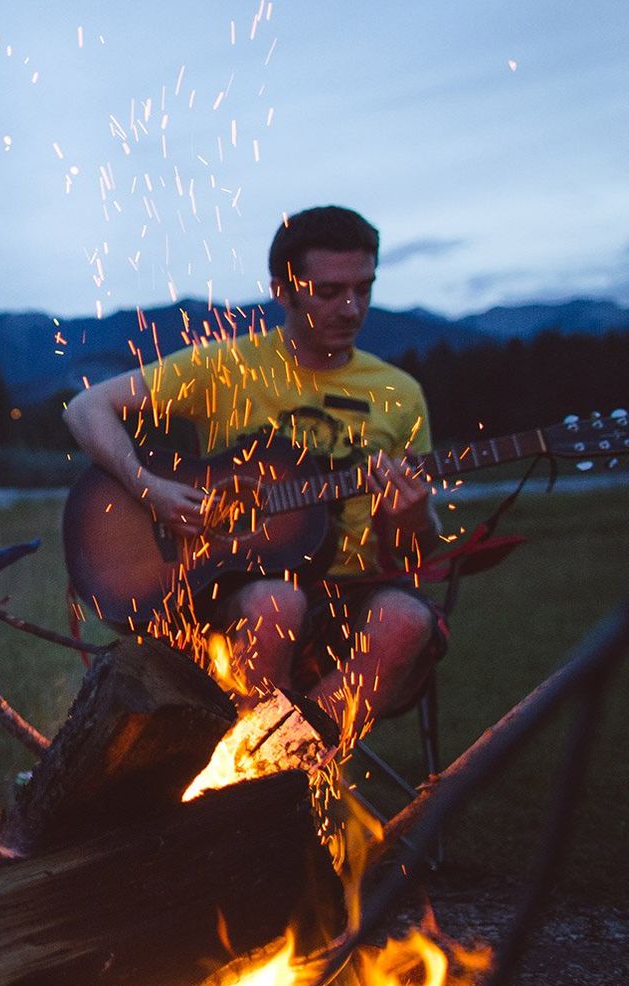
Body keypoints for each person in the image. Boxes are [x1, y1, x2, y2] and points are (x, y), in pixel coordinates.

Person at [63, 205, 443, 720]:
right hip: (237, 587)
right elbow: (87, 408)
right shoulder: (227, 366)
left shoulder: (398, 393)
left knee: (406, 618)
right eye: (328, 292)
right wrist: (146, 486)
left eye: (363, 289)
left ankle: (294, 762)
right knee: (276, 604)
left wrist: (412, 518)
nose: (351, 308)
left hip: (352, 593)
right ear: (282, 290)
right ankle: (272, 768)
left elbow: (414, 549)